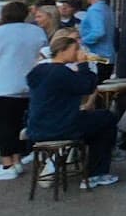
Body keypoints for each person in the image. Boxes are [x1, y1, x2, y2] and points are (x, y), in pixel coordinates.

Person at [27, 33, 119, 188]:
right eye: (75, 49)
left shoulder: (38, 71)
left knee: (97, 123)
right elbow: (87, 86)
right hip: (61, 126)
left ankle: (78, 163)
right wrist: (83, 65)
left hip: (37, 127)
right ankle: (96, 174)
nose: (78, 52)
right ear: (62, 51)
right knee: (107, 118)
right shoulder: (61, 72)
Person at [0, 2, 46, 181]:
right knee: (19, 126)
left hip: (0, 86)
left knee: (3, 127)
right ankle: (17, 160)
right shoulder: (36, 32)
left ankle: (7, 164)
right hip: (28, 86)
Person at [79, 0, 117, 83]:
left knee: (92, 87)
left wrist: (82, 41)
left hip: (96, 56)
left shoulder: (95, 10)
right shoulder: (107, 9)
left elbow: (98, 32)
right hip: (108, 56)